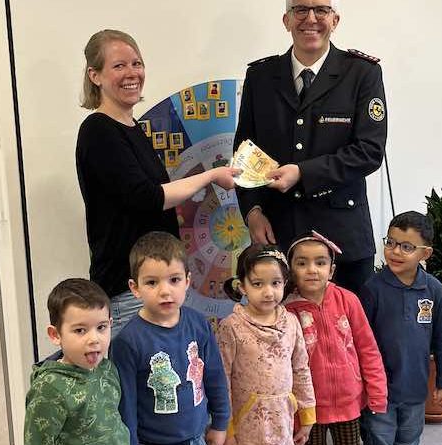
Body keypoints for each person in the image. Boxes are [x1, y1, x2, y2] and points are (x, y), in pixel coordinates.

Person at [76, 29, 238, 337]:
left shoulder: (132, 127)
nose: (132, 73)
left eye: (136, 63)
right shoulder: (99, 131)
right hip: (129, 288)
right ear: (94, 75)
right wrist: (211, 175)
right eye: (119, 66)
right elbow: (147, 198)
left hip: (155, 282)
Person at [233, 0, 387, 297]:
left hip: (343, 241)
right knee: (280, 339)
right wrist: (252, 211)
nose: (311, 19)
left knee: (345, 339)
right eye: (301, 10)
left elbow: (369, 151)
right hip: (279, 236)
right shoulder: (261, 77)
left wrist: (302, 173)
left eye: (321, 10)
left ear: (335, 19)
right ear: (286, 19)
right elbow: (245, 153)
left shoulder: (362, 74)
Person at [111, 231, 230, 445]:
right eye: (152, 283)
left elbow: (215, 376)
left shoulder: (199, 324)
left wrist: (221, 423)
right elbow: (126, 405)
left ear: (187, 281)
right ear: (135, 288)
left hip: (198, 437)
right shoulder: (126, 342)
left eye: (174, 280)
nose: (165, 291)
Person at [359, 211, 442, 445]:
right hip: (378, 390)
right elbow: (360, 342)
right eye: (390, 243)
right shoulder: (372, 289)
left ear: (426, 253)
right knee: (379, 439)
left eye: (406, 247)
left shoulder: (434, 290)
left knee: (409, 439)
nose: (395, 251)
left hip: (415, 388)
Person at [283, 230, 387, 445]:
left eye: (320, 263)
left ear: (331, 271)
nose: (312, 270)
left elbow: (368, 349)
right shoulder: (286, 312)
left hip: (348, 401)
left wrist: (377, 393)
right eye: (302, 263)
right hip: (307, 407)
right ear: (291, 271)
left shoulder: (349, 301)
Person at [217, 244, 316, 445]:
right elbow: (222, 379)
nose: (268, 292)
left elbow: (301, 369)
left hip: (283, 421)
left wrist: (307, 415)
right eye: (258, 284)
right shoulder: (231, 327)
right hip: (245, 425)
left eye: (275, 283)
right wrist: (227, 429)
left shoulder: (291, 322)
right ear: (242, 286)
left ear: (285, 283)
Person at [24, 278, 129, 445]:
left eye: (101, 327)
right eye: (80, 330)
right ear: (55, 335)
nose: (94, 339)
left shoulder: (108, 368)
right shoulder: (49, 389)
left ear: (110, 324)